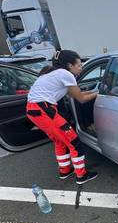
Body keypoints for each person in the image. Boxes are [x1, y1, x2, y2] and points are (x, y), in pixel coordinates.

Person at [25, 50, 99, 184]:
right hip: (44, 109)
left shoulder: (52, 73)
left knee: (60, 141)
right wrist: (99, 93)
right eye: (79, 65)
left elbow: (75, 94)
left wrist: (93, 91)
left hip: (35, 110)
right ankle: (81, 175)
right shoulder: (66, 74)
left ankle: (65, 170)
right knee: (74, 141)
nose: (81, 68)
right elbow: (81, 99)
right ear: (70, 66)